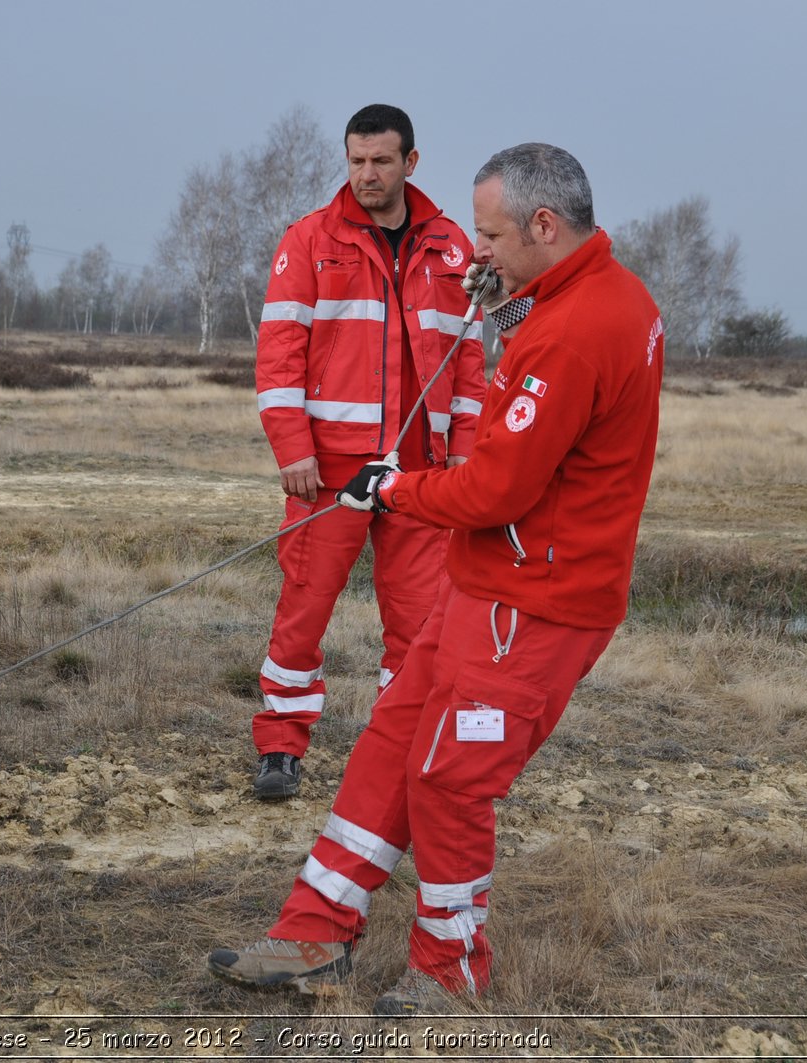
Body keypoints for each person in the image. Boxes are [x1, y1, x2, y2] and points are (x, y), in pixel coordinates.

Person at [209, 142, 665, 1013]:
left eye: (490, 236)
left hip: (536, 604)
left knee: (452, 777)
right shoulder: (581, 299)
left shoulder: (575, 329)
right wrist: (502, 315)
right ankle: (315, 927)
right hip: (488, 585)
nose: (477, 253)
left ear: (544, 224)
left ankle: (450, 968)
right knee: (392, 742)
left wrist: (398, 487)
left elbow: (497, 483)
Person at [251, 103, 486, 799]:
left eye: (381, 161)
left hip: (423, 472)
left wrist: (466, 455)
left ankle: (398, 752)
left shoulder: (452, 248)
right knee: (303, 610)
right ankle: (281, 748)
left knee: (418, 625)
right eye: (356, 161)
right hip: (327, 470)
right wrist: (291, 447)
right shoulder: (309, 240)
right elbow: (278, 356)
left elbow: (471, 363)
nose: (367, 174)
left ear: (410, 162)